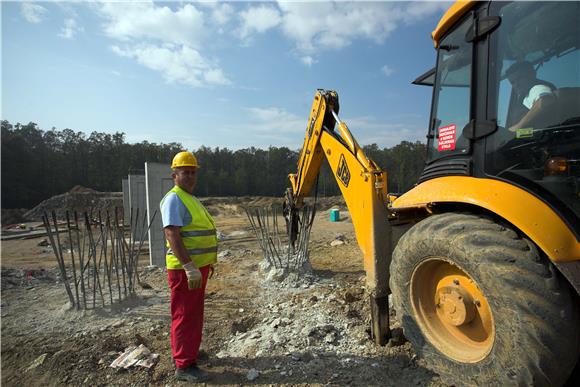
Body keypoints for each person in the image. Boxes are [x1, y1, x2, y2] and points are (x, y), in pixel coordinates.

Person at [160, 151, 217, 382]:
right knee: (185, 315)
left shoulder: (190, 197)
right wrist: (189, 266)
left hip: (196, 268)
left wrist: (204, 264)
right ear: (175, 175)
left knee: (193, 314)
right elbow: (172, 233)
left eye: (193, 172)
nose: (190, 176)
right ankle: (184, 365)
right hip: (185, 270)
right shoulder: (174, 198)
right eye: (185, 172)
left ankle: (188, 353)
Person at [505, 61, 556, 132]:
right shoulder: (525, 96)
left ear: (531, 74)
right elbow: (530, 131)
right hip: (531, 137)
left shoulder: (537, 88)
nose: (516, 84)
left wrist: (516, 128)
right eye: (512, 82)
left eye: (519, 79)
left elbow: (545, 101)